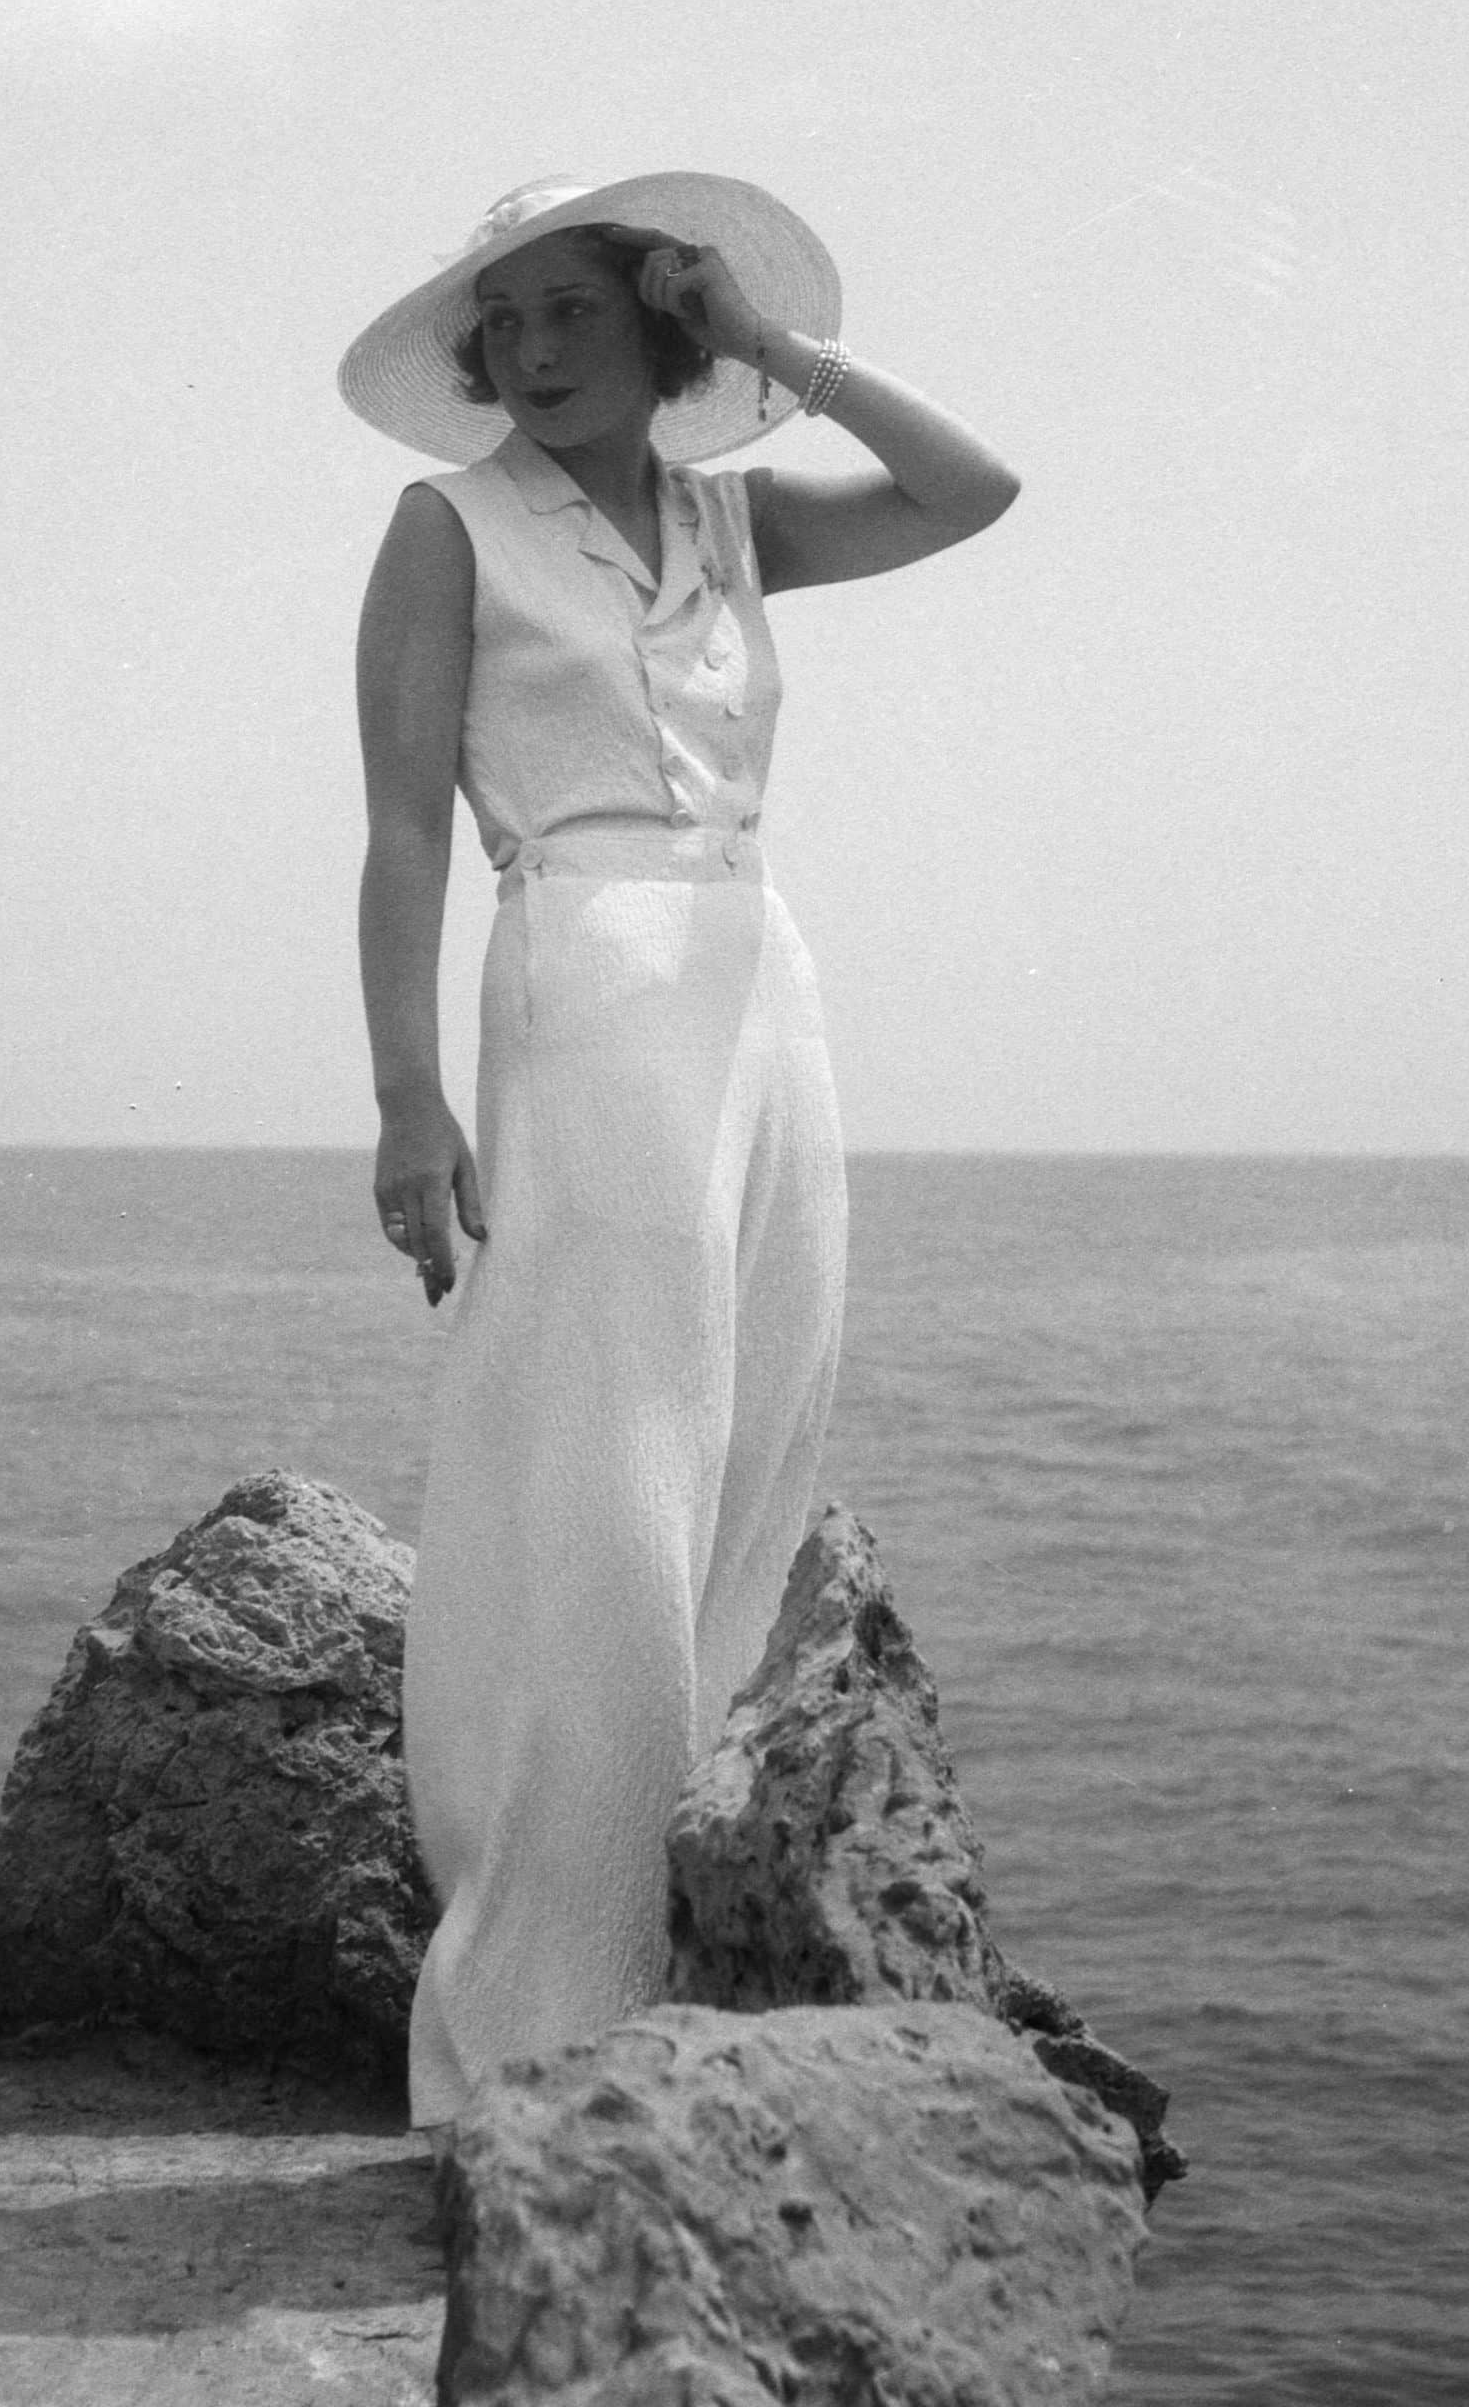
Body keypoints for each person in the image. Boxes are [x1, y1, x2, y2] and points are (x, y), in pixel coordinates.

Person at [340, 172, 1020, 2127]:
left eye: (574, 310)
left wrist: (774, 349)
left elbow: (972, 490)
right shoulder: (448, 525)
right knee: (614, 1471)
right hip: (583, 963)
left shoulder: (734, 520)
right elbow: (402, 831)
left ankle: (652, 1948)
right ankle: (528, 2028)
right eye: (503, 325)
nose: (532, 351)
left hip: (753, 973)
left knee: (754, 1434)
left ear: (660, 325)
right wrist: (405, 1100)